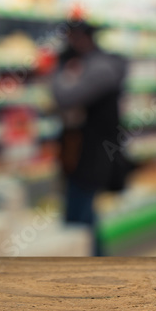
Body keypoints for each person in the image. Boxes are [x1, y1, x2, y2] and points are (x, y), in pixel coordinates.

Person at [50, 21, 129, 256]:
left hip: (91, 155)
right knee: (86, 218)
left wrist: (58, 69)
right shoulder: (97, 64)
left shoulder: (100, 68)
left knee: (78, 218)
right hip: (88, 153)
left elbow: (65, 96)